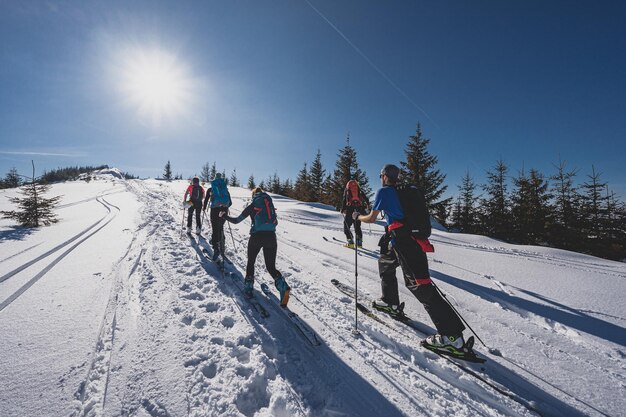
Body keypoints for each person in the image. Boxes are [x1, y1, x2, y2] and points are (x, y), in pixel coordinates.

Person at [357, 164, 467, 354]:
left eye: (381, 175)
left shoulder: (384, 191)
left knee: (419, 284)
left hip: (406, 241)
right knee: (386, 262)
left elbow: (372, 218)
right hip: (400, 238)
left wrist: (358, 216)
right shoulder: (404, 192)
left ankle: (452, 337)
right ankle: (390, 301)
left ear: (384, 176)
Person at [222, 187, 290, 306]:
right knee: (270, 266)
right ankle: (283, 287)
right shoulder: (269, 204)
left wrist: (224, 216)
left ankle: (248, 287)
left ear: (254, 195)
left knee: (251, 262)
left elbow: (237, 220)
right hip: (271, 237)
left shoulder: (253, 205)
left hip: (256, 237)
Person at [202, 173, 232, 261]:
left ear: (215, 179)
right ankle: (222, 247)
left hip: (215, 210)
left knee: (215, 228)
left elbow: (206, 199)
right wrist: (225, 206)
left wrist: (204, 208)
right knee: (221, 227)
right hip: (224, 210)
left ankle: (216, 250)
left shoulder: (211, 189)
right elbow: (230, 203)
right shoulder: (225, 189)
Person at [340, 179, 370, 248]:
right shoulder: (359, 189)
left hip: (350, 209)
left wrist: (342, 209)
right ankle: (359, 243)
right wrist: (368, 204)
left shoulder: (347, 189)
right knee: (357, 227)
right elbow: (366, 198)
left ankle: (350, 242)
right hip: (358, 209)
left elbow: (344, 199)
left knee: (346, 226)